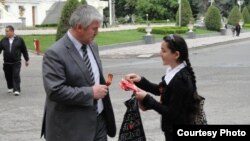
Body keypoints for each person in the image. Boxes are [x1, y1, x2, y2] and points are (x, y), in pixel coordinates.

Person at [41, 5, 116, 141]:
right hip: (73, 129)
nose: (97, 33)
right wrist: (91, 93)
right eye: (94, 29)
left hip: (99, 123)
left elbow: (94, 78)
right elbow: (55, 91)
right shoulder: (55, 53)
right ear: (79, 27)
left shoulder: (93, 45)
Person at [124, 34, 202, 141]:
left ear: (176, 54)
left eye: (164, 51)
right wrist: (140, 80)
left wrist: (147, 99)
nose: (160, 54)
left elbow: (171, 112)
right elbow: (159, 90)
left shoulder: (181, 79)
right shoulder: (174, 71)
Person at [0, 25, 29, 96]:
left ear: (12, 31)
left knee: (16, 75)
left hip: (16, 62)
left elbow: (24, 50)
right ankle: (10, 87)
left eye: (7, 31)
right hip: (6, 62)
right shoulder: (3, 40)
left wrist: (26, 59)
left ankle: (16, 90)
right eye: (5, 31)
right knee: (8, 75)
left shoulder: (19, 40)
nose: (5, 33)